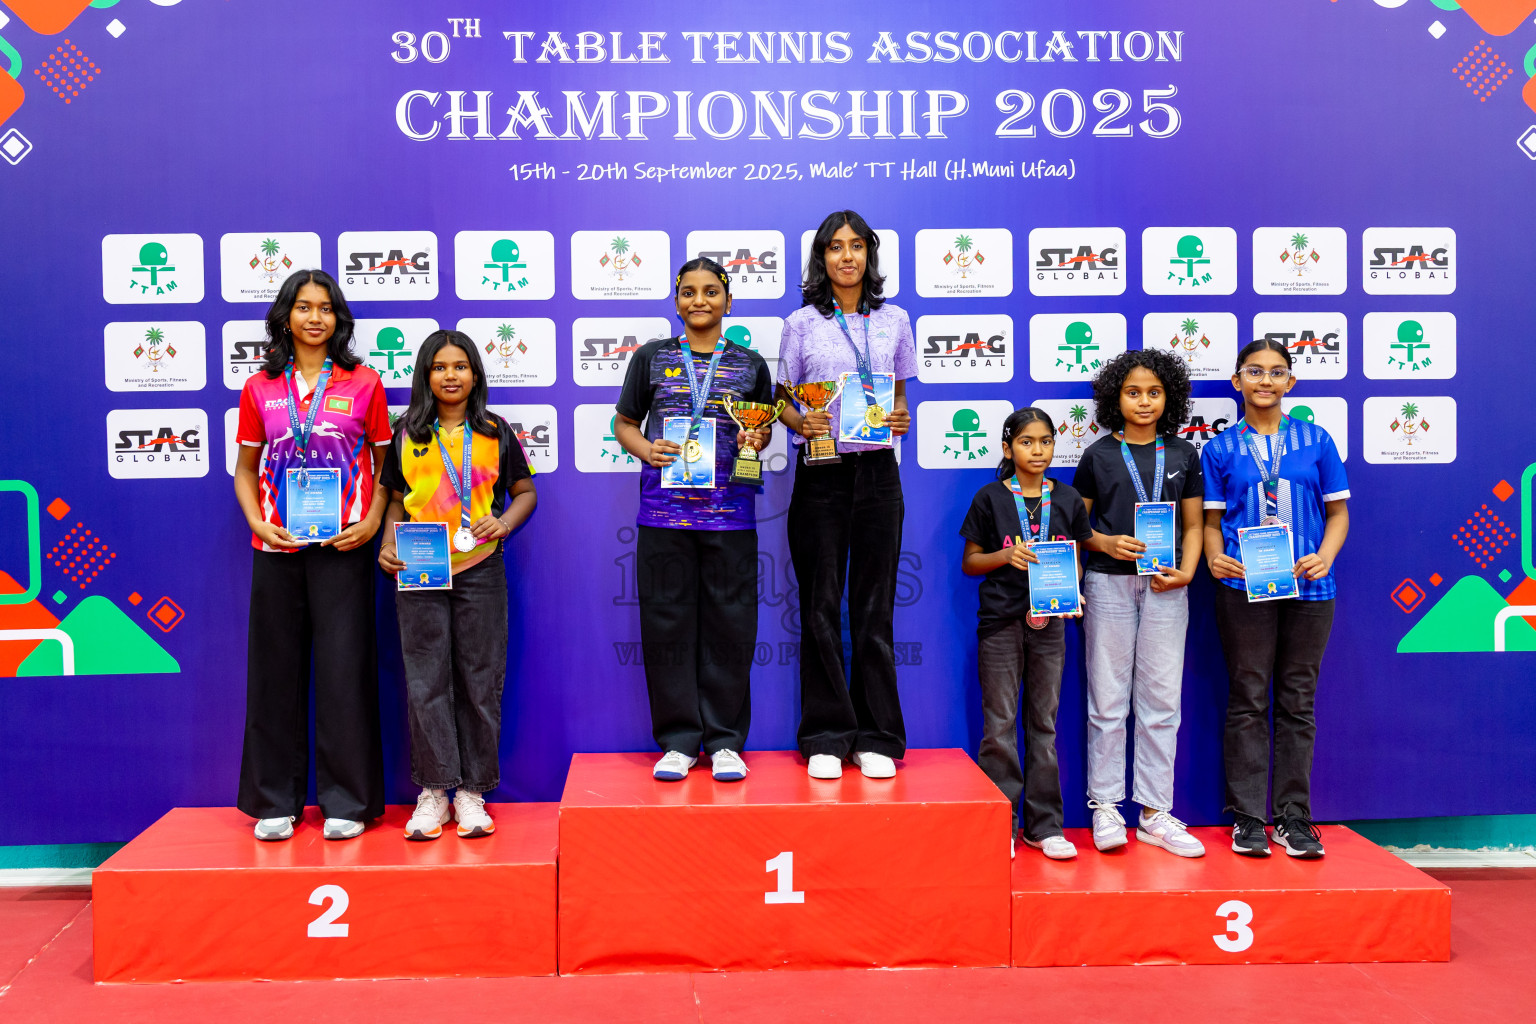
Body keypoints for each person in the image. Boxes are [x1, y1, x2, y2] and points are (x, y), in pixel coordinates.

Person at [233, 270, 390, 841]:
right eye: (304, 307)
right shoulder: (259, 387)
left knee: (344, 672)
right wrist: (257, 523)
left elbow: (385, 467)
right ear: (285, 317)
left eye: (325, 308)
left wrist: (371, 522)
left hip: (343, 545)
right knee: (274, 673)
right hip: (276, 544)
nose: (315, 317)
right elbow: (245, 470)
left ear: (338, 319)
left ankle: (347, 801)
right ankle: (275, 801)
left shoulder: (364, 382)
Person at [613, 258, 774, 782]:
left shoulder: (750, 365)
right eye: (688, 292)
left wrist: (756, 438)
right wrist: (647, 450)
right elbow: (624, 422)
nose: (698, 300)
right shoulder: (652, 357)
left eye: (710, 291)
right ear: (677, 300)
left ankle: (725, 741)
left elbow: (763, 429)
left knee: (731, 629)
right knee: (667, 628)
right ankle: (679, 741)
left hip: (731, 518)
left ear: (728, 301)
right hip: (665, 516)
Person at [378, 330, 536, 840]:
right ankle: (434, 791)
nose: (451, 375)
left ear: (475, 374)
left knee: (479, 681)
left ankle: (472, 791)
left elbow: (526, 492)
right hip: (420, 568)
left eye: (461, 366)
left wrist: (504, 522)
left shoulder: (494, 430)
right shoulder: (406, 432)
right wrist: (387, 544)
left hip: (480, 567)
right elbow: (396, 500)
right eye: (440, 367)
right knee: (426, 683)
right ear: (425, 375)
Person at [777, 209, 914, 780]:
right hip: (821, 472)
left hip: (878, 473)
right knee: (820, 606)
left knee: (874, 608)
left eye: (856, 245)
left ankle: (877, 736)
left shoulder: (896, 320)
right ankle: (827, 735)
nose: (847, 256)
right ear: (821, 258)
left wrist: (900, 417)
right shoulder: (801, 323)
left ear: (869, 254)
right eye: (835, 247)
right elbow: (782, 398)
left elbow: (898, 395)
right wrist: (800, 421)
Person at [1202, 339, 1349, 859]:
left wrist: (1325, 556)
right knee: (1247, 699)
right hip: (1244, 586)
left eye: (1276, 371)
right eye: (1254, 371)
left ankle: (1292, 817)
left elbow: (1338, 514)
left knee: (1297, 702)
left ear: (1291, 382)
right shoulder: (1220, 449)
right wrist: (1215, 558)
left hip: (1310, 586)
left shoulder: (1317, 439)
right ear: (1237, 381)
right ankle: (1247, 817)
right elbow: (1211, 522)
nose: (1265, 380)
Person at [1074, 349, 1206, 857]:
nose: (1144, 401)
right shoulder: (1098, 455)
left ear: (1169, 398)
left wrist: (1188, 571)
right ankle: (1106, 806)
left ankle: (1154, 813)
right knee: (1107, 701)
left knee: (1161, 703)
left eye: (1154, 392)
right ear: (1116, 398)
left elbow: (1194, 525)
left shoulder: (1184, 455)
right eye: (1133, 392)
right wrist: (1103, 544)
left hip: (1167, 586)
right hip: (1107, 586)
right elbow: (1078, 529)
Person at [960, 408, 1092, 860]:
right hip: (1000, 622)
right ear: (1007, 448)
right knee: (998, 727)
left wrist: (1072, 590)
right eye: (1026, 442)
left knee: (1044, 726)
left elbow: (1076, 559)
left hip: (1050, 625)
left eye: (1046, 441)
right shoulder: (990, 498)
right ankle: (1002, 825)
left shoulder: (1068, 498)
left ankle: (1045, 826)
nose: (1038, 450)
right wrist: (1006, 556)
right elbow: (970, 562)